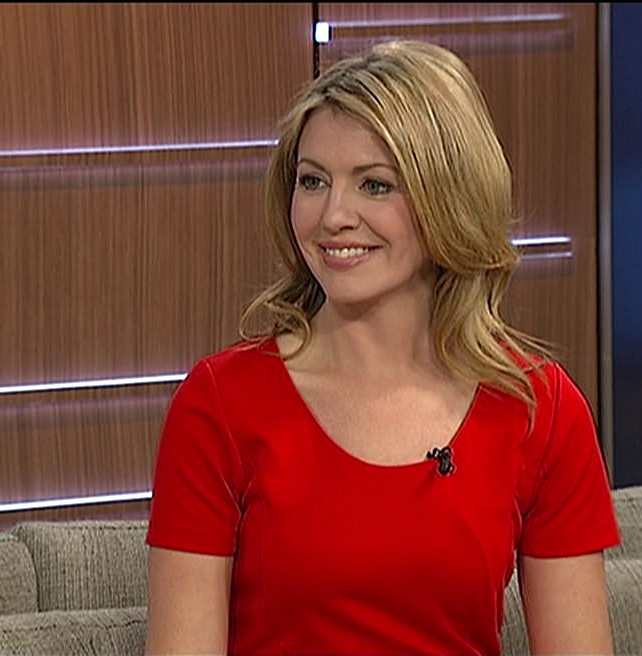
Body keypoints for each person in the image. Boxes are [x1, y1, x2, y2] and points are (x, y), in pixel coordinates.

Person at [144, 39, 621, 655]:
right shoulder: (221, 405)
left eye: (374, 184)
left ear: (447, 199)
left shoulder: (539, 409)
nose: (333, 216)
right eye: (313, 181)